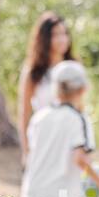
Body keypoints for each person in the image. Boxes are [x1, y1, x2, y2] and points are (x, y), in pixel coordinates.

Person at [20, 60, 99, 197]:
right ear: (83, 89)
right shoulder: (78, 118)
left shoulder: (39, 117)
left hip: (31, 195)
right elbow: (80, 159)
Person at [18, 12, 76, 164]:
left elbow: (80, 107)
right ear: (44, 38)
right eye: (55, 34)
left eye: (64, 33)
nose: (62, 39)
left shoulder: (73, 68)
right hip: (42, 140)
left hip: (69, 141)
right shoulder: (34, 71)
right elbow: (24, 113)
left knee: (65, 188)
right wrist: (26, 151)